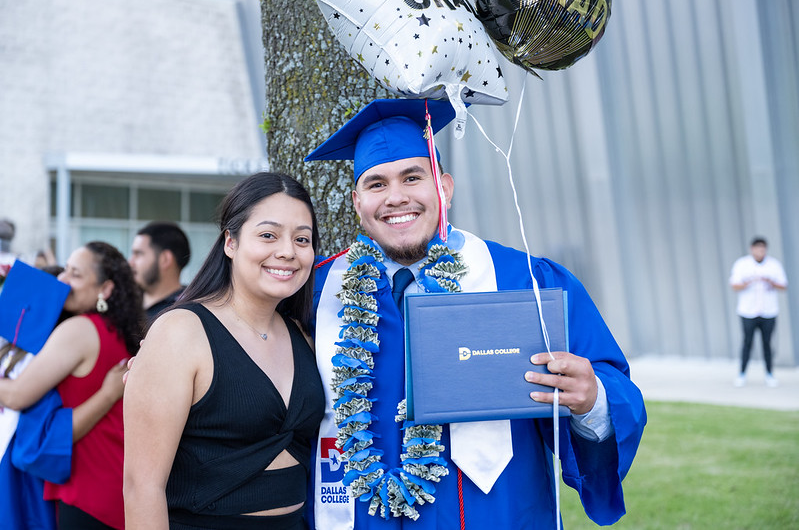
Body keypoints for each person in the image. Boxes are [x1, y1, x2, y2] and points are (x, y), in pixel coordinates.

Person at [304, 98, 647, 529]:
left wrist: (592, 399)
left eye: (413, 177)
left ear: (444, 188)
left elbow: (612, 385)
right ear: (357, 202)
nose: (396, 197)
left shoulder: (523, 280)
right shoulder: (315, 290)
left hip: (495, 514)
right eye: (376, 184)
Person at [123, 172, 326, 530]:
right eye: (268, 235)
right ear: (230, 242)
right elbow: (142, 488)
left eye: (302, 239)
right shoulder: (182, 331)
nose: (287, 252)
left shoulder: (302, 335)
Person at [0, 241, 144, 529]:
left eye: (75, 275)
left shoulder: (80, 330)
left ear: (105, 289)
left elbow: (16, 395)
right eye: (65, 269)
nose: (63, 280)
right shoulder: (113, 331)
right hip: (112, 478)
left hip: (87, 486)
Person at [729, 237, 788, 387]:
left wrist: (770, 282)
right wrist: (750, 282)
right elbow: (734, 285)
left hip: (768, 311)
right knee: (747, 342)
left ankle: (769, 374)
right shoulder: (742, 265)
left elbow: (783, 286)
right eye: (758, 249)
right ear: (752, 249)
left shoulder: (774, 265)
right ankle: (741, 374)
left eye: (763, 249)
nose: (760, 252)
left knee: (767, 344)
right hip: (748, 311)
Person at [128, 221, 191, 321]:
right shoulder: (124, 303)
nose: (131, 262)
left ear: (165, 259)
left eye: (138, 254)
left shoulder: (188, 311)